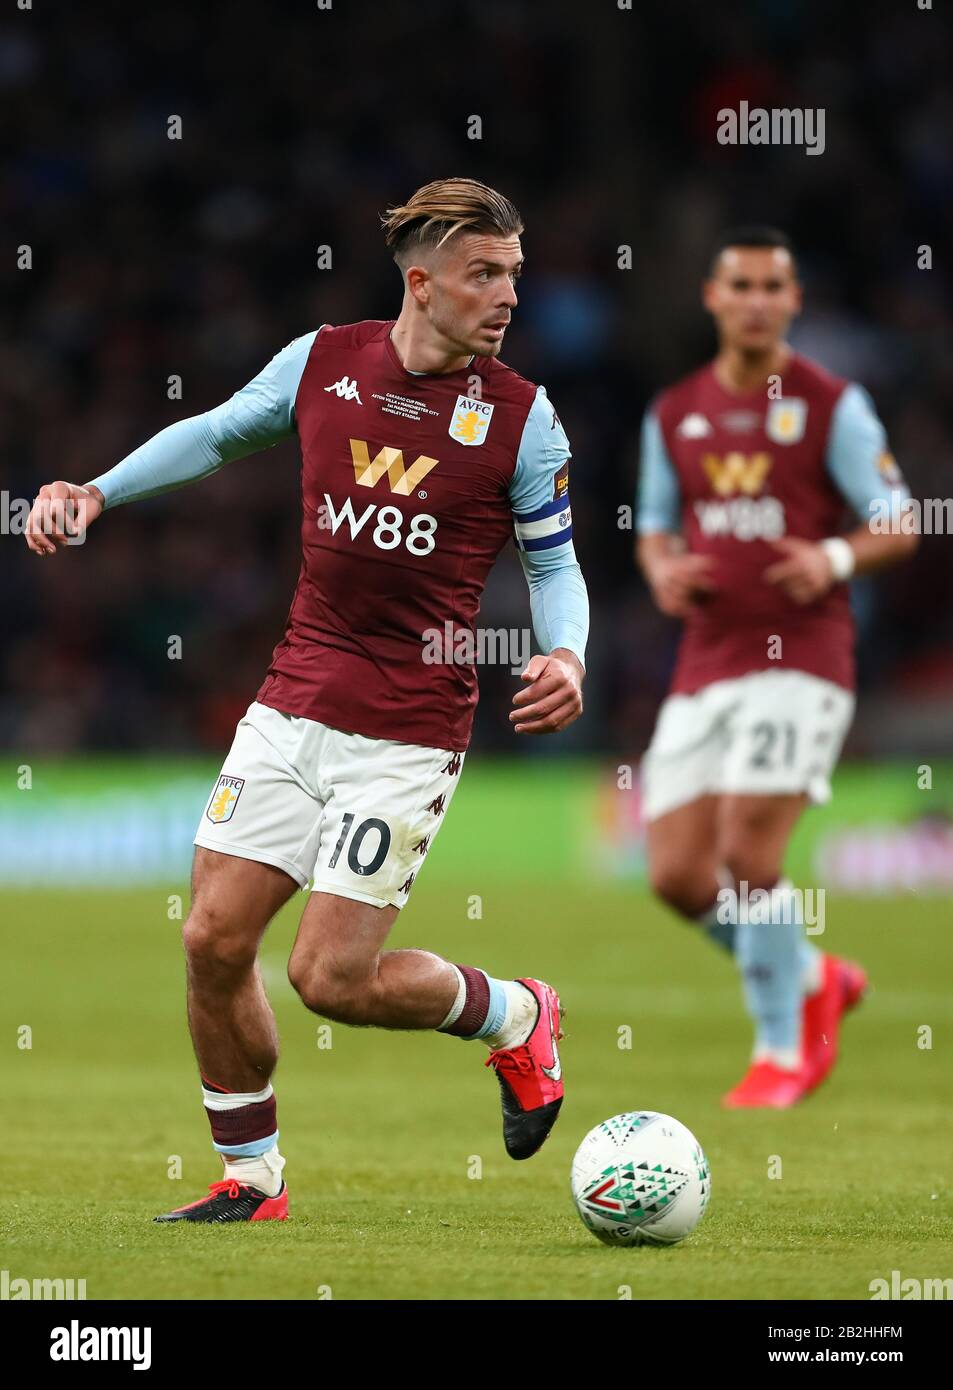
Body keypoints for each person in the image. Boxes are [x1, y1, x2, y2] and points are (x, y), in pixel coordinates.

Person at [26, 177, 588, 1219]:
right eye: (484, 274)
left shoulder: (522, 420)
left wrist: (567, 655)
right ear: (422, 283)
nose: (507, 295)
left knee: (329, 976)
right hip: (292, 702)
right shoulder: (325, 361)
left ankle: (515, 1013)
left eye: (513, 273)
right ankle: (252, 1177)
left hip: (407, 732)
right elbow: (219, 430)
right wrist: (95, 490)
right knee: (210, 941)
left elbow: (554, 567)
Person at [635, 227, 917, 1108]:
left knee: (747, 848)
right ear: (712, 298)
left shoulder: (832, 405)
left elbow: (899, 522)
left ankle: (781, 1051)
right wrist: (661, 568)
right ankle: (812, 972)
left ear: (793, 302)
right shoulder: (672, 411)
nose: (756, 300)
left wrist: (830, 561)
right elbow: (651, 524)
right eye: (741, 285)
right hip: (705, 660)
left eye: (773, 286)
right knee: (677, 877)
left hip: (802, 657)